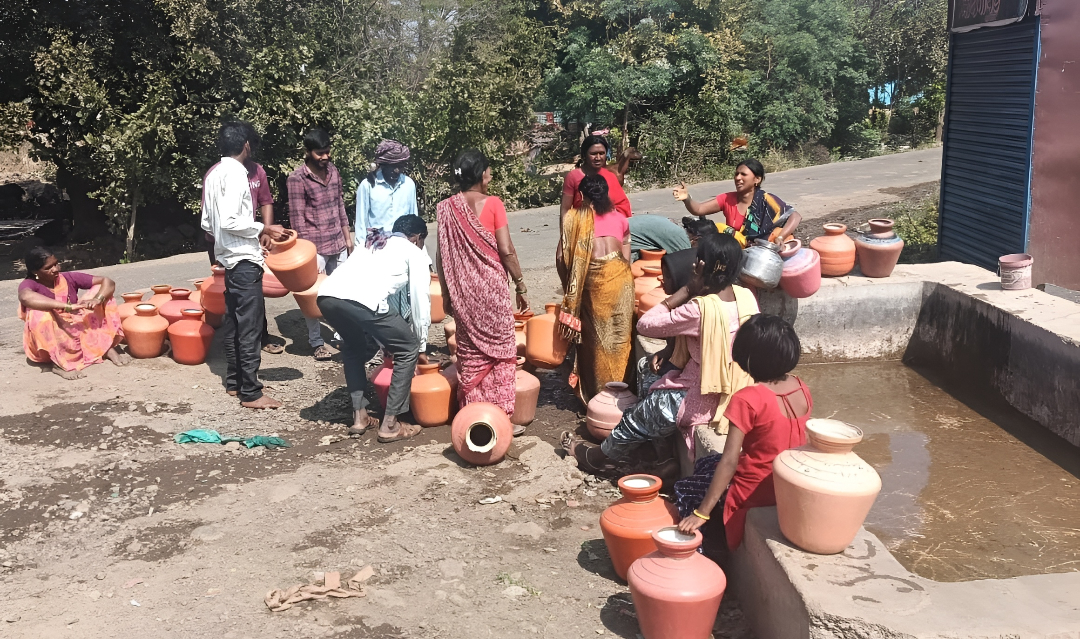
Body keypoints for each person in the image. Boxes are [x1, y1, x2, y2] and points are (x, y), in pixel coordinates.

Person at [562, 233, 759, 476]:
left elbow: (645, 324)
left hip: (703, 399)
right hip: (734, 390)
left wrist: (688, 289)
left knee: (639, 414)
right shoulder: (746, 297)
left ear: (701, 266)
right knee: (647, 369)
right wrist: (669, 349)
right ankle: (664, 458)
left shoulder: (699, 309)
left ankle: (597, 457)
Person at [674, 314, 811, 552]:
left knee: (685, 488)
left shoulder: (748, 399)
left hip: (756, 491)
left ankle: (704, 550)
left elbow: (729, 462)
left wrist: (701, 513)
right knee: (707, 463)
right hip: (786, 484)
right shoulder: (801, 386)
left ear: (747, 358)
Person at [436, 150, 531, 434]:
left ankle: (472, 416)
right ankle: (501, 419)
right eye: (488, 171)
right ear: (481, 175)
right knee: (501, 354)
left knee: (470, 353)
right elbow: (506, 249)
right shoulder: (494, 204)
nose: (490, 175)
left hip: (462, 293)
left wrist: (446, 293)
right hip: (492, 291)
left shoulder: (446, 208)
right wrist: (521, 284)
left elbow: (442, 256)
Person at [317, 215, 432, 442]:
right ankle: (390, 425)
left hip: (326, 296)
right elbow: (421, 302)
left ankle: (359, 417)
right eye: (422, 242)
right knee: (407, 348)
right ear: (417, 238)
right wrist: (420, 345)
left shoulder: (372, 242)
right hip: (360, 301)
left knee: (353, 347)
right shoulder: (413, 252)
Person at [201, 121, 287, 409]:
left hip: (227, 259)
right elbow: (230, 221)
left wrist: (226, 241)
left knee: (234, 323)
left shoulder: (214, 174)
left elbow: (208, 223)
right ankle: (251, 392)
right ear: (246, 144)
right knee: (249, 326)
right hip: (244, 260)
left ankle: (235, 382)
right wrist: (264, 228)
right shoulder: (237, 173)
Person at [558, 174, 635, 405]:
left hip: (592, 282)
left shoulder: (573, 219)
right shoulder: (620, 218)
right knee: (621, 337)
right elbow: (626, 255)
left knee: (595, 340)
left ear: (582, 195)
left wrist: (570, 287)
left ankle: (598, 396)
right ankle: (624, 393)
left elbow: (561, 257)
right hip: (621, 281)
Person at [287, 128, 354, 361]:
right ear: (307, 152)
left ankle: (342, 335)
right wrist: (307, 255)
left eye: (327, 152)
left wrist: (347, 237)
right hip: (314, 247)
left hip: (338, 241)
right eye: (319, 153)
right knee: (313, 296)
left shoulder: (333, 171)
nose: (325, 157)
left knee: (341, 293)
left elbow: (340, 205)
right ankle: (316, 342)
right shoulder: (297, 179)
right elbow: (297, 219)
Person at [18, 247, 127, 379]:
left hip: (75, 324)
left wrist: (97, 299)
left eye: (56, 264)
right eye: (48, 268)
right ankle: (58, 364)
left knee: (101, 290)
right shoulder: (29, 284)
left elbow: (108, 282)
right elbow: (25, 297)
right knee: (37, 312)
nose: (56, 269)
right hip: (53, 333)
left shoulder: (67, 278)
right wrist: (67, 307)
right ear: (35, 271)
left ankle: (104, 346)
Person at [674, 158, 802, 247]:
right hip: (737, 251)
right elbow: (699, 209)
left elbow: (795, 216)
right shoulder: (727, 199)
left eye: (743, 174)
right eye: (736, 174)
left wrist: (781, 237)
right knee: (718, 228)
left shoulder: (766, 199)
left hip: (765, 251)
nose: (738, 178)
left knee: (779, 234)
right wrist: (687, 199)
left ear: (757, 179)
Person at [561, 135, 632, 223]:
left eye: (602, 153)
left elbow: (623, 205)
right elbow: (565, 209)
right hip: (582, 227)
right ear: (584, 155)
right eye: (593, 154)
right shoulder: (573, 177)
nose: (598, 158)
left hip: (610, 227)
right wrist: (564, 231)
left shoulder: (611, 176)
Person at [356, 139, 418, 233]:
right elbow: (361, 223)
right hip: (376, 241)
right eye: (393, 166)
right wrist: (361, 242)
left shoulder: (408, 184)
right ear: (383, 165)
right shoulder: (367, 186)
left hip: (402, 240)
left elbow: (413, 218)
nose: (397, 170)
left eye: (400, 166)